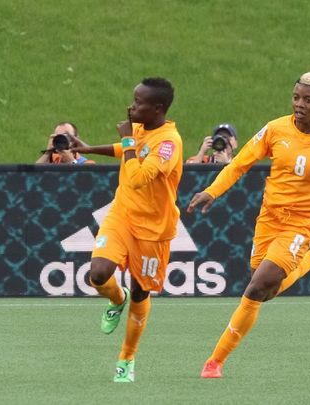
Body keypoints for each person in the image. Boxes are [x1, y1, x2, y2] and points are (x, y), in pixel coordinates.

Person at [187, 72, 310, 379]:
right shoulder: (275, 129)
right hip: (269, 219)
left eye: (308, 99)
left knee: (256, 288)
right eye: (296, 97)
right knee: (266, 289)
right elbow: (240, 163)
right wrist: (212, 190)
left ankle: (214, 362)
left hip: (300, 226)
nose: (300, 104)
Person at [71, 77, 182, 383]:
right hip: (122, 214)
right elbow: (126, 150)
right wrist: (91, 147)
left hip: (154, 229)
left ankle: (126, 359)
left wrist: (130, 142)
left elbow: (138, 177)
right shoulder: (139, 129)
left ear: (157, 108)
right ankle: (115, 300)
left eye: (139, 102)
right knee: (97, 274)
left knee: (140, 291)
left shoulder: (169, 142)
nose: (131, 107)